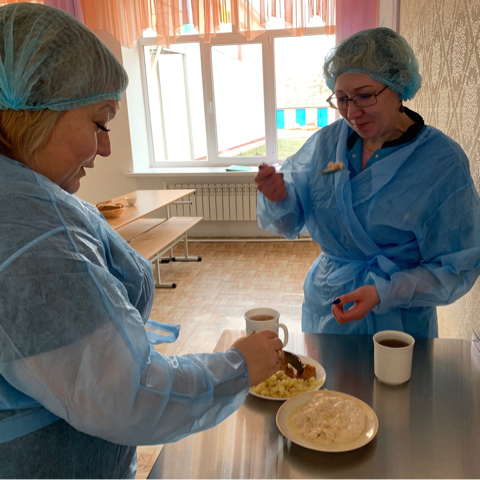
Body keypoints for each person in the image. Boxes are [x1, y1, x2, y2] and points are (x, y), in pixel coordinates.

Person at [0, 4, 283, 479]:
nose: (107, 147)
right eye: (100, 122)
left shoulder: (26, 200)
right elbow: (124, 396)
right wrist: (238, 367)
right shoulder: (32, 229)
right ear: (35, 109)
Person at [255, 27, 480, 338]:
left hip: (400, 320)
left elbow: (458, 266)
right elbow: (290, 220)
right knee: (326, 371)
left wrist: (384, 292)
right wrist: (278, 197)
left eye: (364, 96)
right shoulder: (327, 145)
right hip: (328, 305)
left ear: (399, 84)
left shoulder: (441, 162)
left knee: (394, 371)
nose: (351, 112)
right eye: (342, 99)